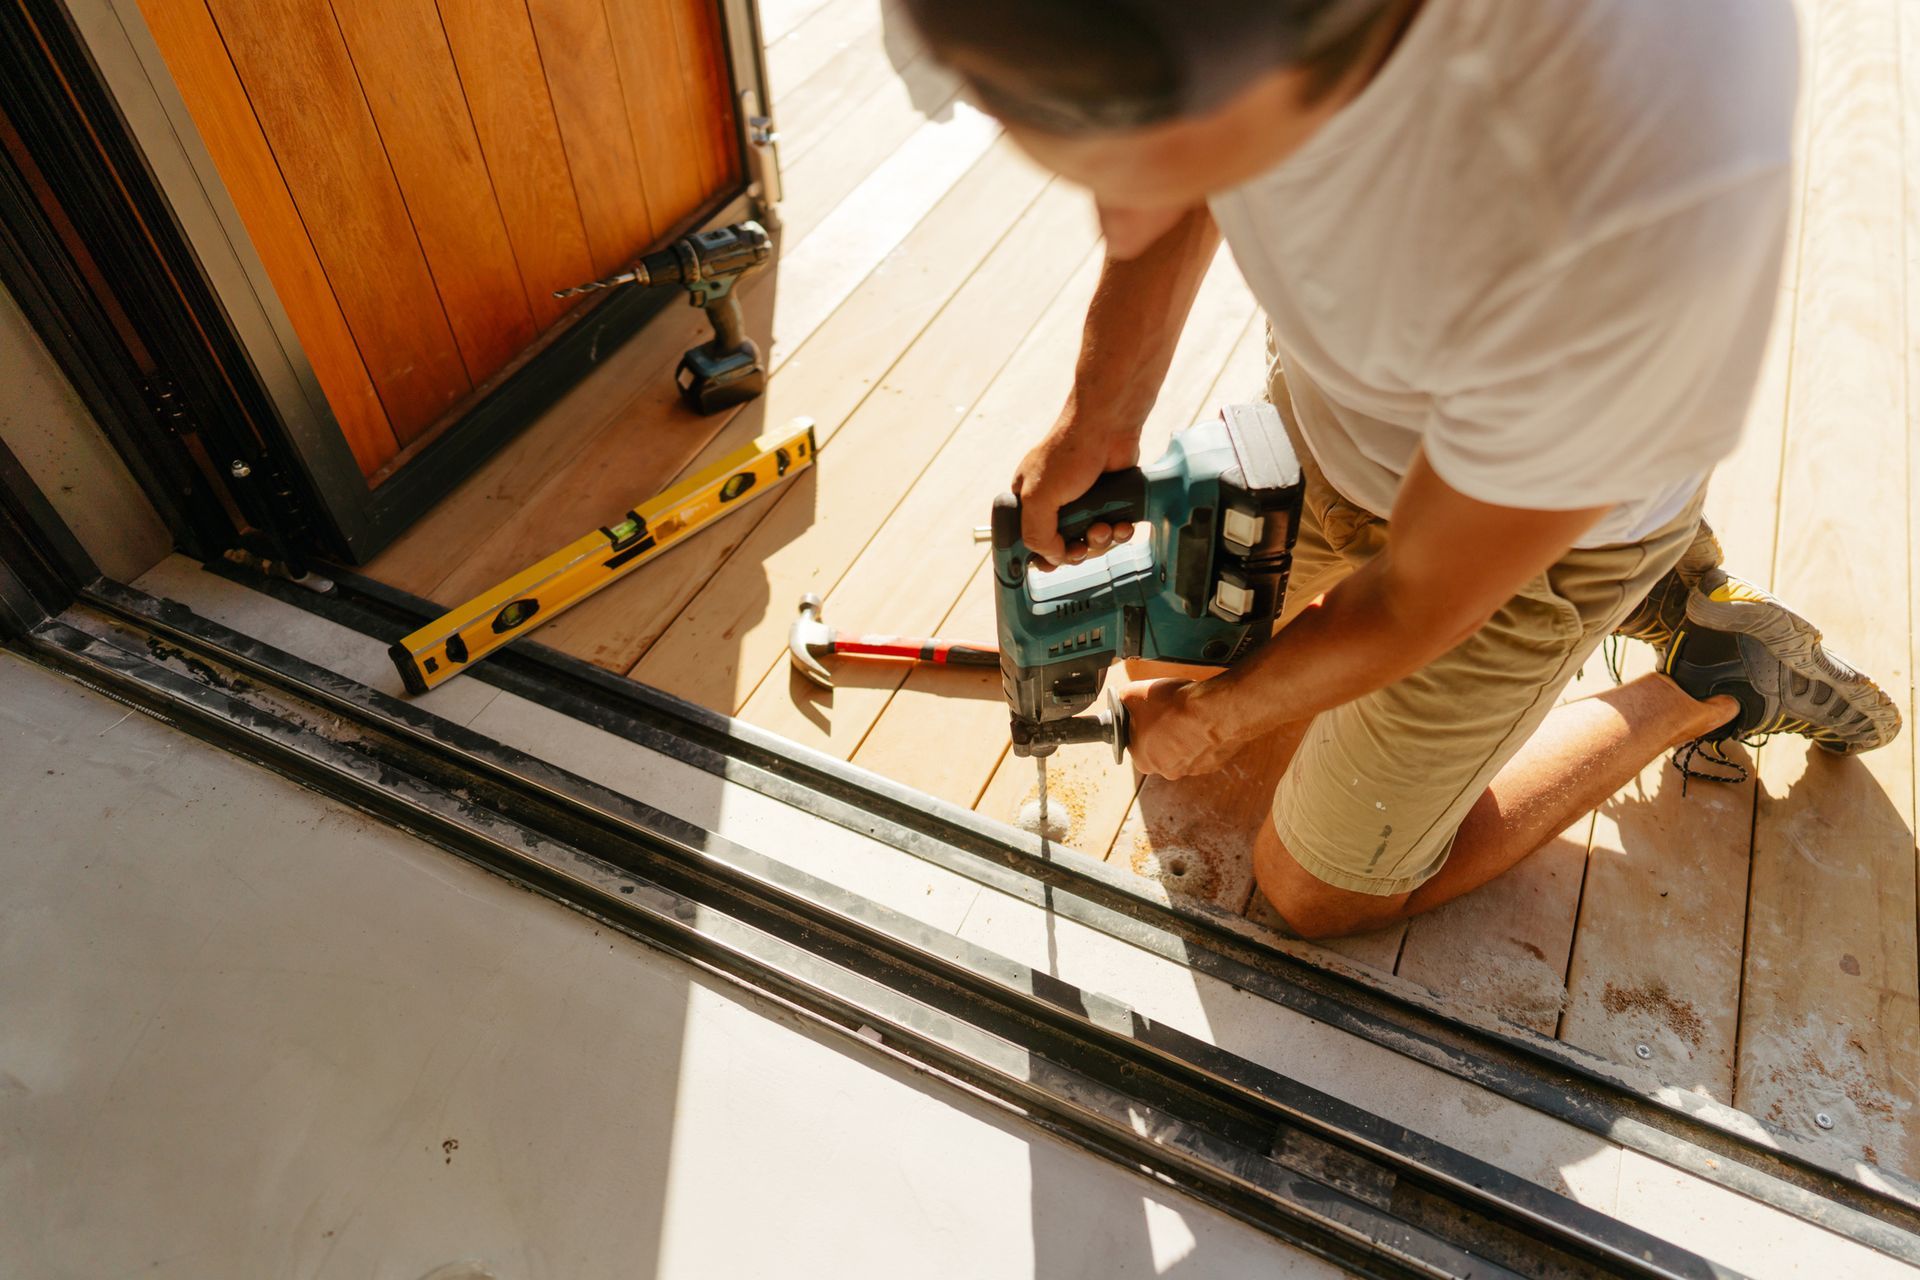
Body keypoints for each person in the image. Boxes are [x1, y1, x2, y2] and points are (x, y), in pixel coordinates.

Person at [903, 0, 1901, 938]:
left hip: (1529, 547)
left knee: (1314, 891)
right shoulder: (1220, 38)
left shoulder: (1624, 206)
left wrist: (1215, 720)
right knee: (1162, 660)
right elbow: (1167, 189)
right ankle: (1567, 512)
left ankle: (1712, 673)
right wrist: (1099, 418)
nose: (1113, 225)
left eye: (1130, 161)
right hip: (1375, 415)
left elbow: (1420, 598)